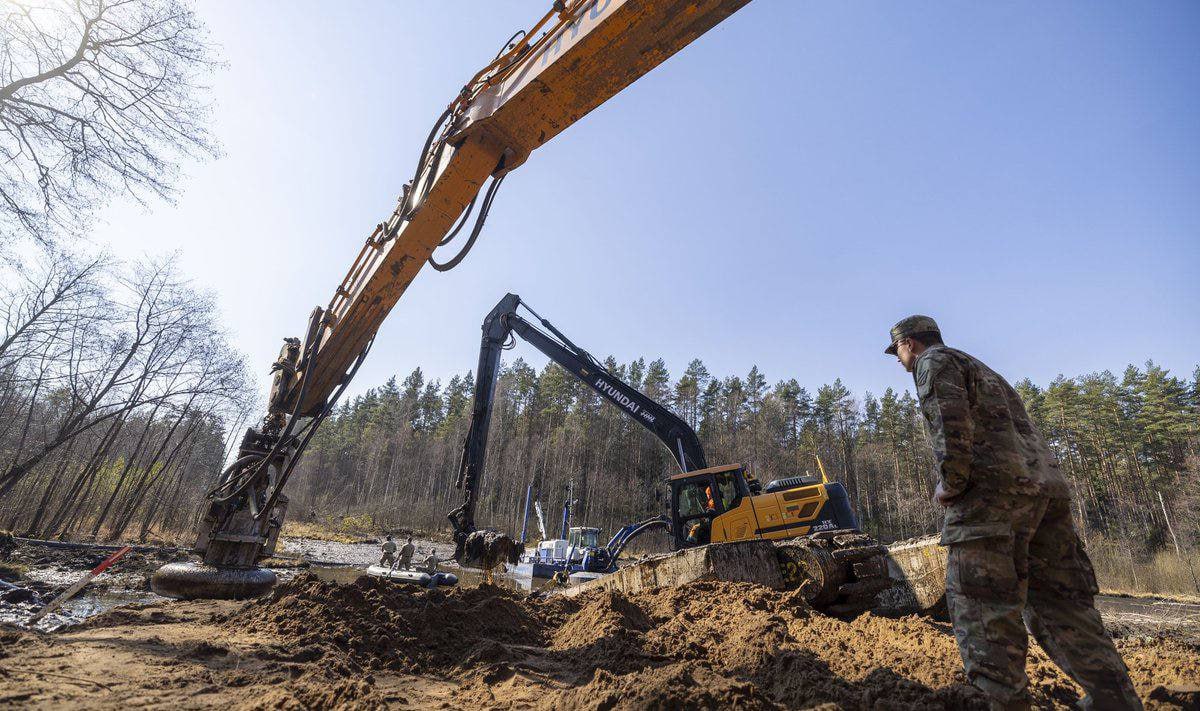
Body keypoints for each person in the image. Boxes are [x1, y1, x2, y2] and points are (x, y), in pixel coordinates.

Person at [885, 315, 1141, 711]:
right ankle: (1116, 702)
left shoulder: (932, 363)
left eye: (897, 352)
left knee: (985, 614)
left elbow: (949, 427)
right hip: (1046, 496)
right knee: (1063, 607)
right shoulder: (985, 370)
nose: (899, 361)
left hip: (991, 503)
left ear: (910, 344)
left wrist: (950, 483)